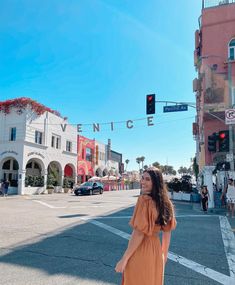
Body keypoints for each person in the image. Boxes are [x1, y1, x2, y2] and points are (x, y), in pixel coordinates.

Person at [115, 167, 177, 285]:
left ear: (156, 182)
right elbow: (167, 232)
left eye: (147, 179)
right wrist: (163, 255)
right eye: (142, 178)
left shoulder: (144, 200)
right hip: (156, 251)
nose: (143, 182)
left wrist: (124, 259)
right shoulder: (166, 203)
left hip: (141, 250)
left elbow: (139, 233)